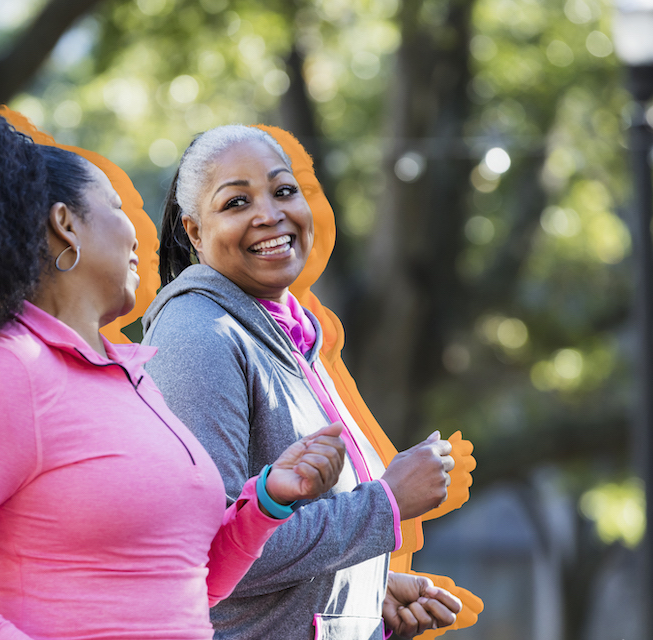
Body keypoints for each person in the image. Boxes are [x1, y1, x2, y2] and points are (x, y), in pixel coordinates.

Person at [0, 107, 348, 640]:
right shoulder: (6, 371)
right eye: (116, 207)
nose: (138, 233)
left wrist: (269, 499)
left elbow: (185, 582)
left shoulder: (130, 379)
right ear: (65, 225)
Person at [142, 124, 480, 640]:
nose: (269, 215)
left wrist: (362, 592)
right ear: (193, 232)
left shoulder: (287, 333)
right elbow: (214, 554)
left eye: (283, 191)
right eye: (236, 203)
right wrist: (386, 503)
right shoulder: (200, 336)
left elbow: (282, 539)